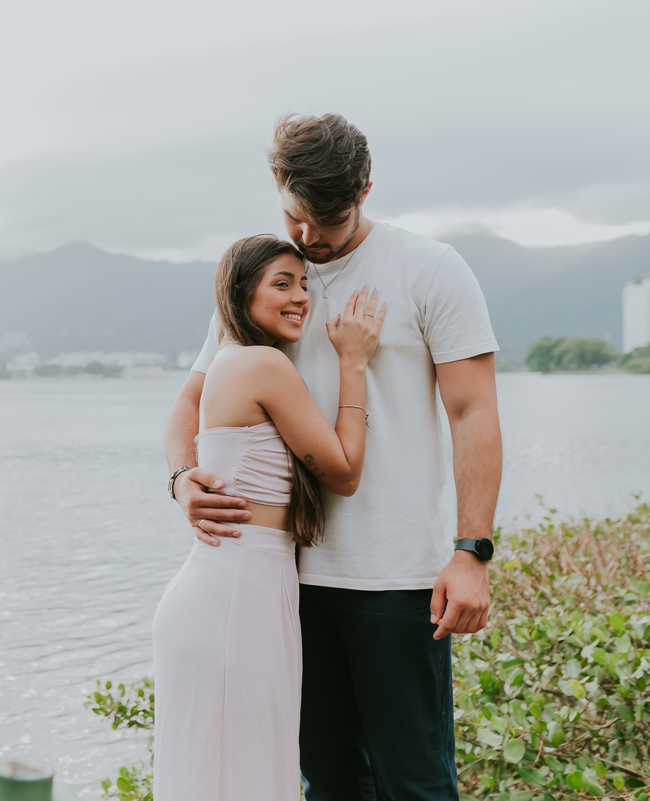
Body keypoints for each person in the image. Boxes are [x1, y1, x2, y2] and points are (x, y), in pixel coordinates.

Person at [164, 113, 502, 800]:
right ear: (278, 187)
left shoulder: (431, 268)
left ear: (365, 191)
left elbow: (473, 412)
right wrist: (180, 477)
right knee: (329, 785)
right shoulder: (268, 280)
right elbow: (191, 401)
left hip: (395, 579)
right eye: (295, 215)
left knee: (416, 783)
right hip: (286, 582)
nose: (310, 236)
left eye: (329, 220)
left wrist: (471, 551)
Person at [152, 235, 386, 800]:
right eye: (282, 284)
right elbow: (344, 472)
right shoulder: (261, 364)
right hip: (235, 596)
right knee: (247, 777)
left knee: (224, 777)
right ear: (240, 293)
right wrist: (353, 363)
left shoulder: (235, 361)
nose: (301, 297)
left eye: (303, 284)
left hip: (239, 587)